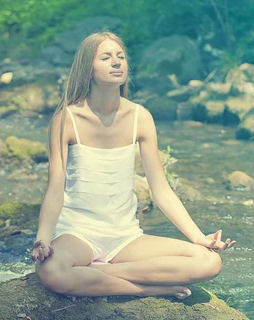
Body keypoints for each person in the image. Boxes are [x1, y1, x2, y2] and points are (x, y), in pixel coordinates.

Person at [32, 31, 236, 301]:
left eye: (121, 57)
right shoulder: (66, 119)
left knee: (208, 262)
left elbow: (161, 190)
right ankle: (145, 288)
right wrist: (44, 238)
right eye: (106, 57)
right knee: (51, 271)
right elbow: (55, 189)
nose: (117, 62)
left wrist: (199, 238)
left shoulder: (140, 117)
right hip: (78, 234)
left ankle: (98, 273)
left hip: (125, 237)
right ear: (87, 69)